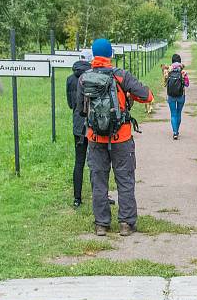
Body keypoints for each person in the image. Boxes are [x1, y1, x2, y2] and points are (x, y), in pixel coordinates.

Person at [76, 38, 154, 237]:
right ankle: (126, 224)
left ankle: (101, 224)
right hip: (121, 137)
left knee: (98, 181)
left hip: (94, 138)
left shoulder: (84, 78)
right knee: (125, 180)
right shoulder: (121, 75)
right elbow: (146, 96)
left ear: (94, 55)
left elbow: (80, 109)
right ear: (111, 54)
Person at [66, 57, 91, 208]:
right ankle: (101, 195)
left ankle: (77, 198)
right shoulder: (93, 76)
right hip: (95, 124)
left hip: (78, 123)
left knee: (79, 161)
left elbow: (70, 104)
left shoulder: (70, 78)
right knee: (97, 162)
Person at [162, 54, 190, 140]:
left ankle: (175, 132)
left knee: (173, 114)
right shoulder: (182, 72)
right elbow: (187, 84)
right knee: (178, 113)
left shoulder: (168, 71)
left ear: (172, 61)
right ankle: (177, 131)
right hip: (181, 95)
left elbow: (164, 83)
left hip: (171, 96)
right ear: (180, 61)